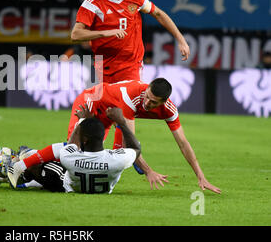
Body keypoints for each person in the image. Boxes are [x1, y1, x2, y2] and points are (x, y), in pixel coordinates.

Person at [17, 78, 221, 194]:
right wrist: (148, 170)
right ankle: (25, 166)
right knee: (78, 151)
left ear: (163, 102)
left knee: (114, 155)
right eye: (147, 97)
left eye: (153, 102)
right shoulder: (132, 96)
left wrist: (200, 177)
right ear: (147, 88)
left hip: (111, 116)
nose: (147, 103)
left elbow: (183, 143)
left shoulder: (169, 110)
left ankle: (39, 178)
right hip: (92, 102)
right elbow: (130, 143)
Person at [71, 0, 190, 154]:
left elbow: (159, 14)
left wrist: (180, 39)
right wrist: (106, 32)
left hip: (131, 64)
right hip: (105, 67)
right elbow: (75, 35)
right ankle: (87, 153)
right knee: (103, 115)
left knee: (124, 108)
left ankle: (121, 153)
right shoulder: (93, 2)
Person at [0, 106, 141, 194]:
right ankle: (22, 174)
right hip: (100, 188)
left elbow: (68, 145)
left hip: (64, 184)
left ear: (84, 139)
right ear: (102, 138)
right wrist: (121, 122)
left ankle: (0, 176)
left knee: (33, 157)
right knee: (40, 158)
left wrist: (81, 120)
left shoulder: (70, 158)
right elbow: (136, 149)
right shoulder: (118, 160)